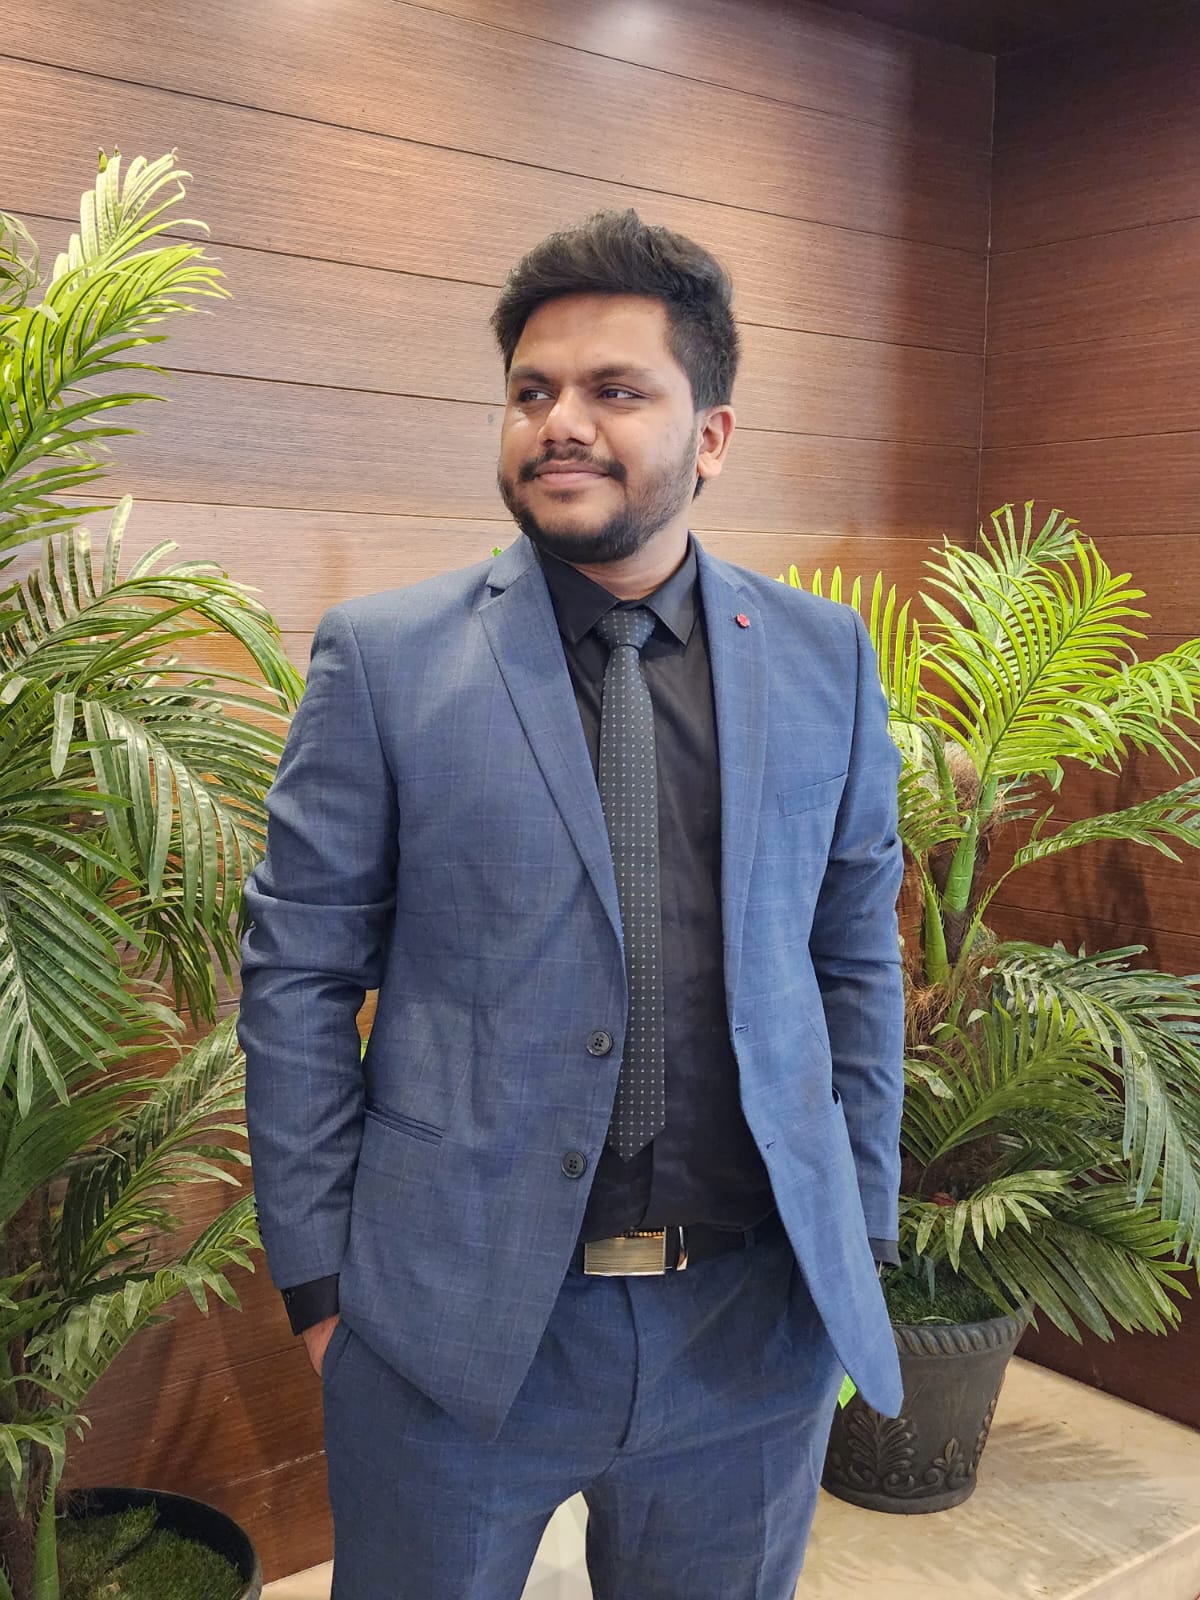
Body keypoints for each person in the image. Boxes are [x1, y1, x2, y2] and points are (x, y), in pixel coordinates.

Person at [239, 208, 905, 1600]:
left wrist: (860, 1231)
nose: (561, 424)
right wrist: (323, 1287)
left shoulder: (824, 657)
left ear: (711, 436)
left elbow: (853, 959)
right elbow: (297, 972)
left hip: (750, 1326)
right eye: (532, 391)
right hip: (450, 1325)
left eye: (615, 390)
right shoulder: (386, 659)